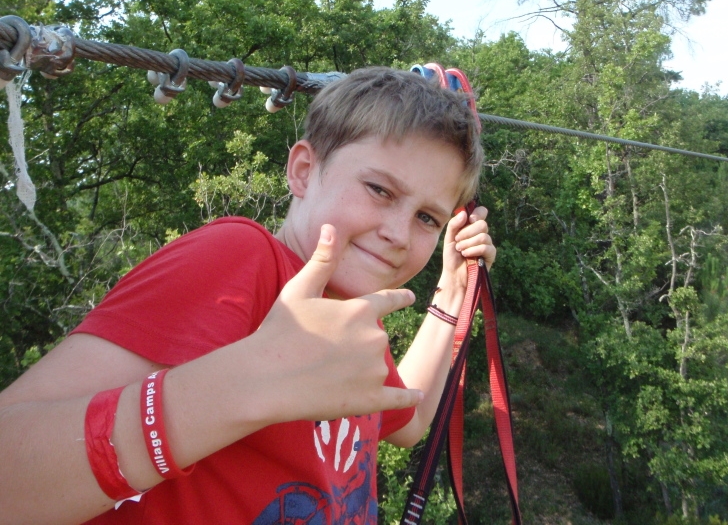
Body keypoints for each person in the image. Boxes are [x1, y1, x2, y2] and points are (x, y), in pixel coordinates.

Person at [0, 66, 495, 524]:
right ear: (302, 171)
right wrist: (244, 384)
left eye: (427, 217)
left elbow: (406, 419)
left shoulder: (347, 316)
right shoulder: (241, 259)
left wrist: (453, 287)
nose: (399, 234)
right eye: (379, 190)